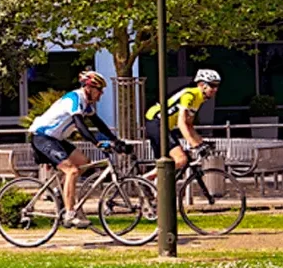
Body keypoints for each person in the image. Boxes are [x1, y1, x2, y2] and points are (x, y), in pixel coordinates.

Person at [28, 70, 128, 228]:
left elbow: (98, 123)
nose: (101, 94)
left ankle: (61, 193)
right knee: (72, 171)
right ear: (89, 88)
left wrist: (115, 140)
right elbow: (80, 126)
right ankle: (69, 214)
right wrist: (97, 143)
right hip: (42, 137)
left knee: (84, 162)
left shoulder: (86, 103)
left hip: (56, 139)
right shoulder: (75, 98)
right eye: (99, 90)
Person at [143, 69, 219, 180]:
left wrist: (201, 142)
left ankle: (151, 184)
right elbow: (181, 123)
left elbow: (189, 125)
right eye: (212, 85)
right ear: (202, 85)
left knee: (171, 162)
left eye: (217, 86)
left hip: (164, 126)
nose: (215, 89)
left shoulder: (199, 99)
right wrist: (195, 145)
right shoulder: (190, 95)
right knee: (181, 159)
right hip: (156, 122)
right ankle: (145, 179)